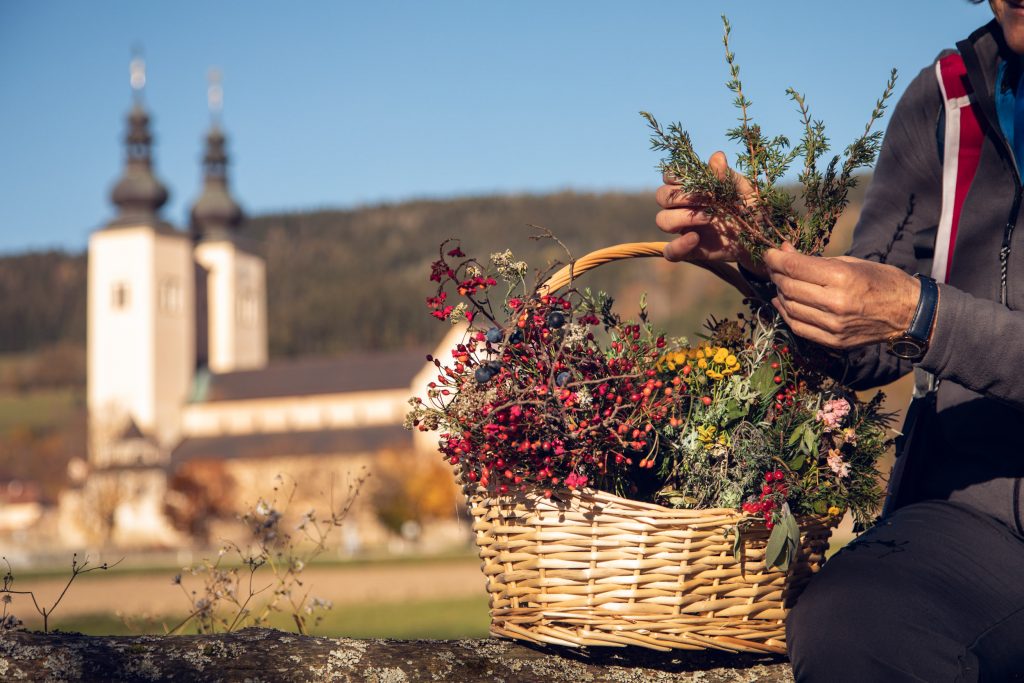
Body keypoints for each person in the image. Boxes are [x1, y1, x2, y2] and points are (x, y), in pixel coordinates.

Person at [655, 2, 1024, 680]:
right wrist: (763, 259)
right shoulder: (944, 101)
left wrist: (925, 316)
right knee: (850, 622)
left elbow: (915, 315)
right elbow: (869, 345)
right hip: (974, 523)